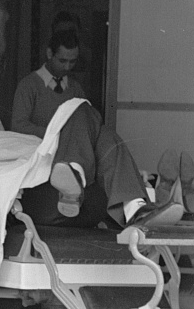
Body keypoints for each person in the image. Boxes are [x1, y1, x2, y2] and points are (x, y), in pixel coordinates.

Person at [11, 30, 181, 229]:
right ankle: (133, 204)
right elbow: (19, 126)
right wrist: (58, 135)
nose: (67, 67)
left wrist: (71, 135)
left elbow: (85, 129)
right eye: (62, 60)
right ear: (49, 54)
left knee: (95, 124)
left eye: (72, 62)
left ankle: (86, 178)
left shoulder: (75, 88)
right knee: (87, 116)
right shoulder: (29, 85)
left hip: (75, 154)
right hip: (47, 153)